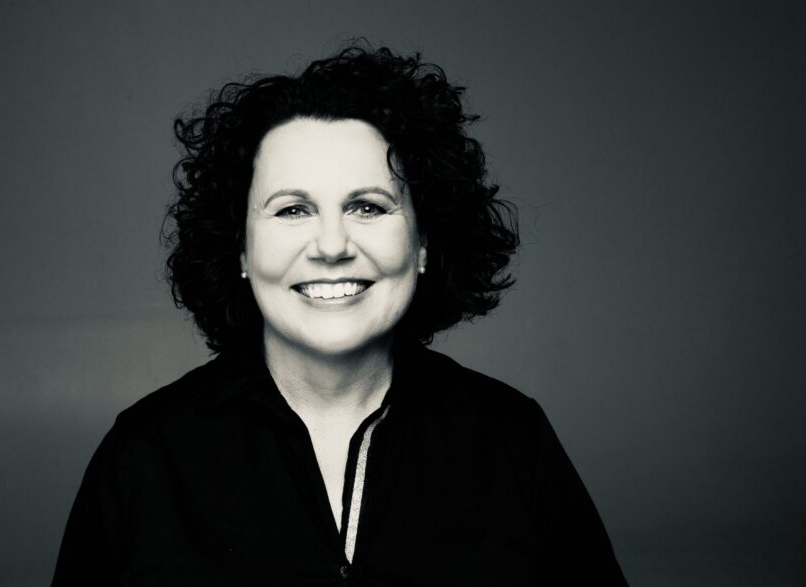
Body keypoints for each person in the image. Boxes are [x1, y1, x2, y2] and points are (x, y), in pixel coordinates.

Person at [52, 43, 627, 585]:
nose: (332, 245)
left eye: (367, 207)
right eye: (293, 210)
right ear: (242, 251)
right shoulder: (143, 455)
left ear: (423, 244)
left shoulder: (513, 439)